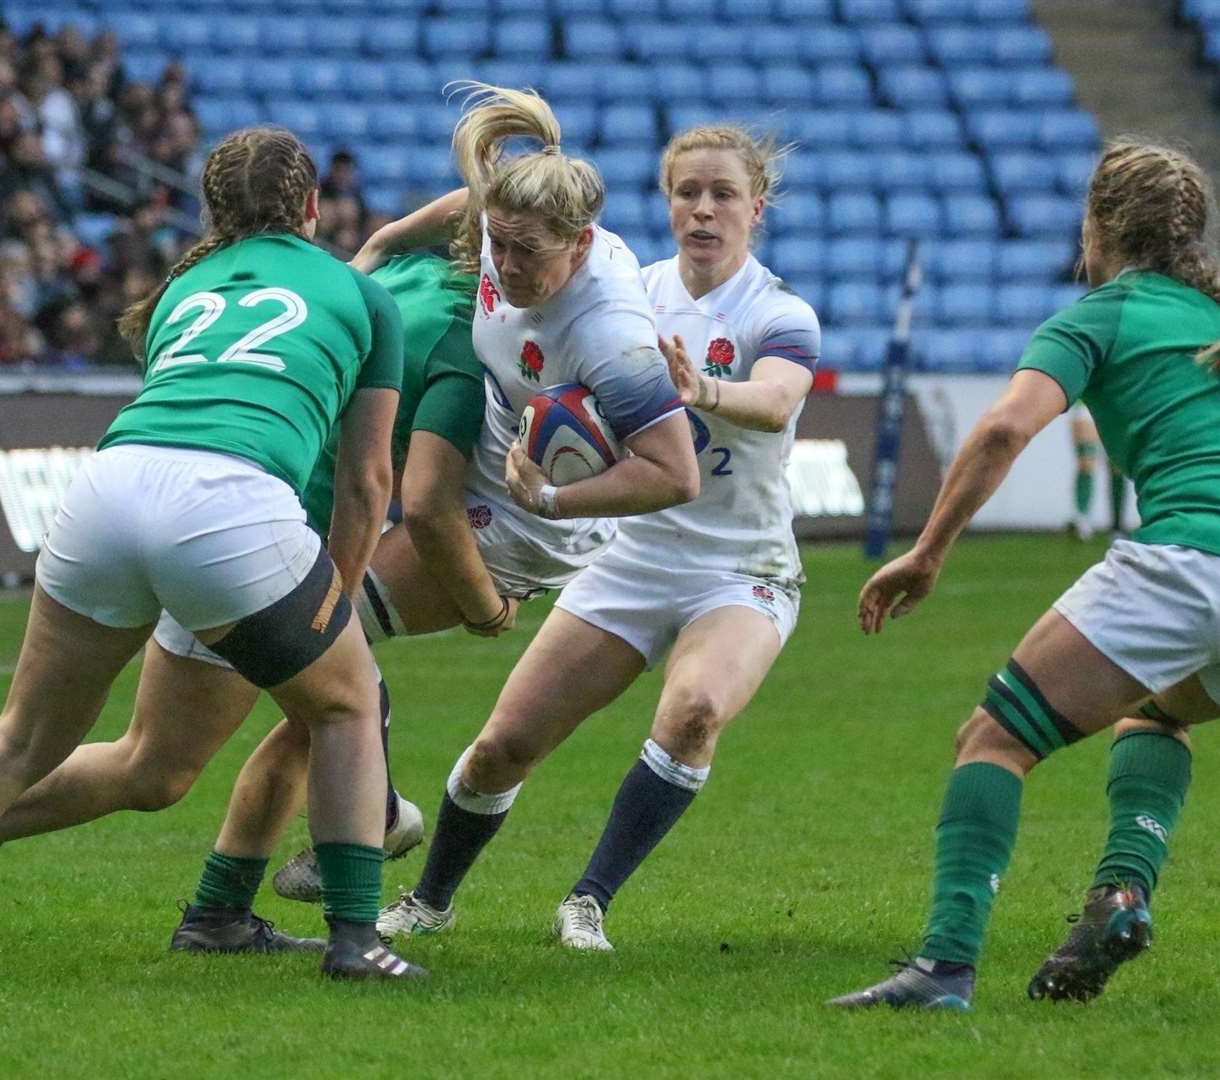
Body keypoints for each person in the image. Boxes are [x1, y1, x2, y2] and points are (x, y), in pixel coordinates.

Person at [0, 126, 426, 982]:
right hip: (234, 509)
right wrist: (337, 601)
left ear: (212, 212)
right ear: (314, 206)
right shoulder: (360, 295)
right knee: (347, 704)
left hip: (108, 487)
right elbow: (367, 482)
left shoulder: (184, 285)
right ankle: (358, 941)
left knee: (29, 733)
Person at [373, 123, 816, 949]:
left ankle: (589, 900)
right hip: (632, 554)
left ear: (757, 207)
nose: (704, 210)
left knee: (694, 711)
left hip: (740, 565)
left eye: (723, 195)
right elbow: (488, 206)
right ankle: (429, 899)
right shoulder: (622, 285)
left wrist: (706, 394)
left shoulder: (779, 310)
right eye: (688, 192)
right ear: (666, 201)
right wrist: (391, 238)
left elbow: (781, 398)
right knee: (505, 744)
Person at [831, 140, 1220, 1011]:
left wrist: (926, 551)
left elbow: (1006, 429)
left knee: (994, 738)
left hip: (1189, 560)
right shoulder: (1213, 315)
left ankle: (943, 970)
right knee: (1155, 713)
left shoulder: (1102, 314)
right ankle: (1119, 897)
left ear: (1100, 225)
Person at [1068, 402, 1127, 539]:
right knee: (1086, 463)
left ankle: (1117, 525)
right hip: (1086, 406)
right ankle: (1082, 519)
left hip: (1117, 406)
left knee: (1118, 467)